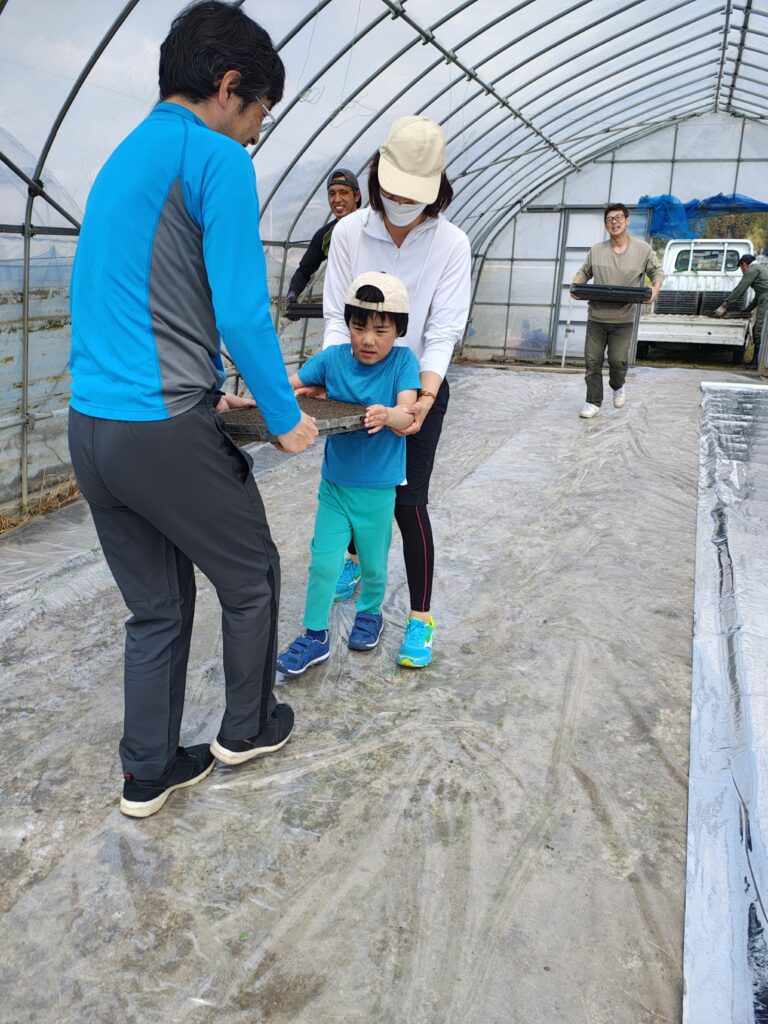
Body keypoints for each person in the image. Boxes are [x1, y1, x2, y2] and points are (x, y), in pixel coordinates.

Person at [67, 0, 317, 819]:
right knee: (252, 576)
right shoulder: (217, 157)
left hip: (92, 429)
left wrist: (209, 383)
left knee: (157, 607)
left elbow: (142, 297)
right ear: (229, 86)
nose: (254, 134)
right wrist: (283, 415)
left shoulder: (123, 156)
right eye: (258, 115)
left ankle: (147, 772)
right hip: (162, 428)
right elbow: (241, 308)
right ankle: (248, 728)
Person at [319, 115, 471, 669]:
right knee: (353, 485)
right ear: (378, 174)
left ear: (435, 187)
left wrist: (420, 401)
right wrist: (332, 382)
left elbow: (443, 330)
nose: (401, 201)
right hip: (355, 384)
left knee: (407, 501)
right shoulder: (349, 233)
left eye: (413, 193)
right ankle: (355, 559)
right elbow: (337, 318)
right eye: (393, 189)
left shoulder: (451, 243)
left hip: (416, 386)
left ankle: (421, 618)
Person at [276, 272, 421, 675]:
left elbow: (408, 412)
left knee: (373, 564)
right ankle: (314, 634)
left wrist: (388, 414)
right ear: (348, 325)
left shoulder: (403, 362)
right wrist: (275, 404)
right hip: (335, 486)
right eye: (359, 327)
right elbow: (286, 386)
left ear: (399, 330)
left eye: (380, 330)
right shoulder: (333, 359)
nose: (368, 340)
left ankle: (370, 613)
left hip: (378, 490)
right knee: (324, 563)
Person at [571, 203, 663, 419]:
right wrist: (576, 285)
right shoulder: (596, 250)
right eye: (610, 219)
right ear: (606, 225)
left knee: (617, 360)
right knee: (592, 361)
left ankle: (617, 384)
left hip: (623, 319)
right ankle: (593, 402)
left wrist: (655, 288)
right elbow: (584, 272)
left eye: (618, 217)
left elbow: (657, 272)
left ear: (627, 220)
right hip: (597, 316)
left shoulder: (642, 250)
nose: (614, 222)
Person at [284, 169, 361, 314]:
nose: (337, 199)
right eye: (332, 193)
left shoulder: (369, 227)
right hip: (339, 310)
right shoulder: (325, 235)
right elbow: (305, 270)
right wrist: (292, 295)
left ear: (356, 196)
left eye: (343, 192)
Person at [714, 254, 768, 369]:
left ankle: (756, 363)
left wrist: (724, 306)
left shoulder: (752, 270)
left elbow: (740, 289)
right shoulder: (760, 269)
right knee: (760, 329)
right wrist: (746, 310)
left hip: (766, 299)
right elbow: (757, 297)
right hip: (764, 297)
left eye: (741, 267)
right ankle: (757, 361)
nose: (742, 270)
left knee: (759, 329)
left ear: (744, 264)